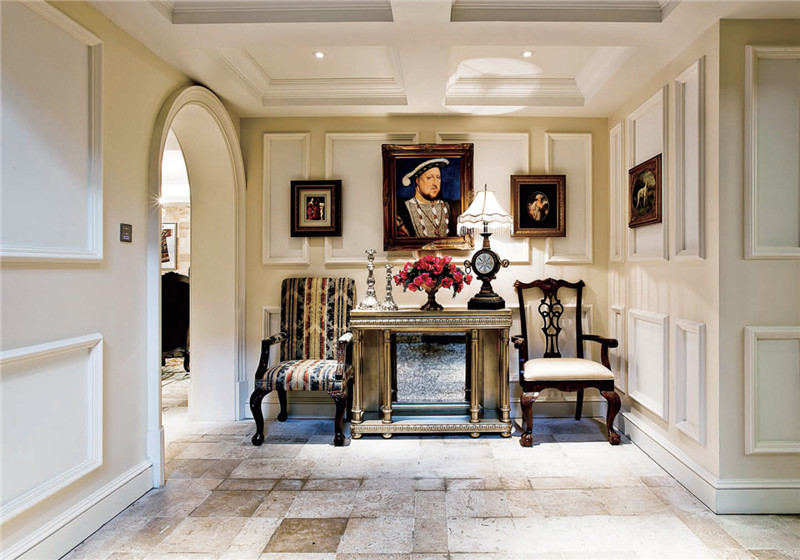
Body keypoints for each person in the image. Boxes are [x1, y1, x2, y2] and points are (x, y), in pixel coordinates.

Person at [395, 158, 455, 237]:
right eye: (429, 178)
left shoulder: (446, 206)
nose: (435, 183)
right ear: (417, 181)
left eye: (438, 177)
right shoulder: (402, 209)